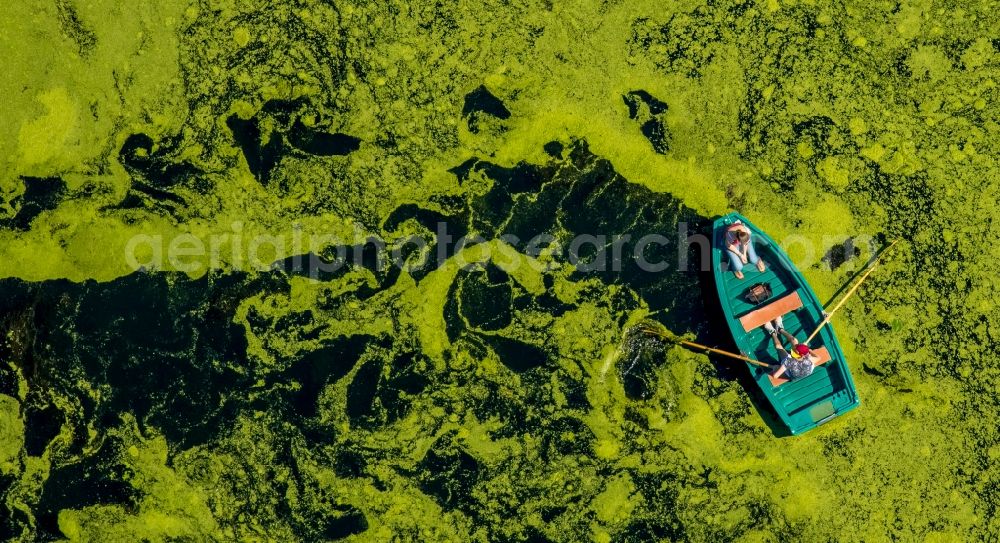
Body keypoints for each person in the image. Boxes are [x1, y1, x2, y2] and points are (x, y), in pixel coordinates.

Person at [763, 316, 820, 381]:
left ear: (798, 353)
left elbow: (775, 376)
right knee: (794, 340)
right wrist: (810, 350)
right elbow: (819, 358)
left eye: (796, 347)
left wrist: (776, 368)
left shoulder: (789, 362)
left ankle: (772, 332)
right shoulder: (809, 359)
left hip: (789, 372)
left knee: (778, 346)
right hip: (797, 361)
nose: (796, 346)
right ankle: (780, 328)